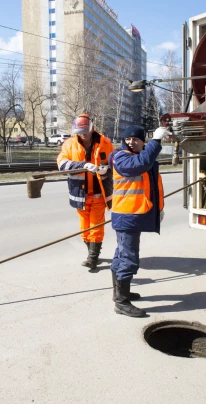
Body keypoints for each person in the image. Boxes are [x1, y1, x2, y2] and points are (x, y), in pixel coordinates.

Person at [109, 125, 171, 317]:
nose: (131, 142)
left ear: (142, 141)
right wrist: (157, 140)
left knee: (121, 255)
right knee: (128, 258)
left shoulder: (141, 156)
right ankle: (121, 302)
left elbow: (152, 186)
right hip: (126, 215)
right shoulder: (121, 156)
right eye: (128, 139)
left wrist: (157, 209)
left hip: (132, 214)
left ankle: (120, 293)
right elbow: (140, 164)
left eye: (136, 139)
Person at [57, 113, 114, 270]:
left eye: (85, 131)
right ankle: (92, 252)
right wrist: (82, 166)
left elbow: (114, 164)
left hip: (99, 193)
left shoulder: (105, 143)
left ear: (91, 128)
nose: (82, 134)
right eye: (79, 132)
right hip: (80, 194)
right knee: (84, 227)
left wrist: (106, 171)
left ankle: (92, 257)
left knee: (96, 225)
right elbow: (62, 164)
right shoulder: (69, 144)